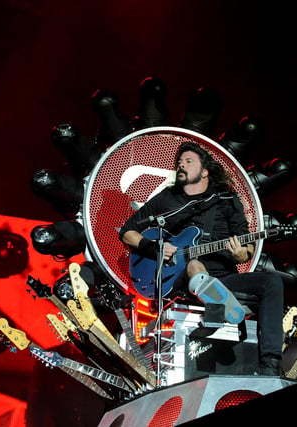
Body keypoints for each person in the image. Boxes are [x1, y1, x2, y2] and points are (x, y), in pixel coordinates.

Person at [118, 142, 284, 376]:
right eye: (179, 162)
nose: (181, 165)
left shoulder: (226, 199)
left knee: (272, 283)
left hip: (223, 279)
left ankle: (270, 363)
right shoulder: (167, 199)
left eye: (188, 161)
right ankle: (220, 306)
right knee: (194, 264)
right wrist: (153, 247)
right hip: (178, 281)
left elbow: (245, 247)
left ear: (204, 171)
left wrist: (241, 254)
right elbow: (127, 231)